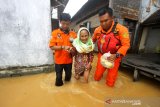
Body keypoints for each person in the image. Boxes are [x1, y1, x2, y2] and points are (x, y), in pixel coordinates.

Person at [92, 7, 130, 87]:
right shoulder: (97, 30)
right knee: (97, 77)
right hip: (101, 55)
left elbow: (126, 45)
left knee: (111, 81)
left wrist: (116, 55)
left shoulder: (122, 30)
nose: (103, 24)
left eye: (106, 20)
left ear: (112, 18)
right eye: (101, 21)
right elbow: (92, 41)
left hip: (115, 57)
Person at [49, 13, 76, 86]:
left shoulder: (73, 34)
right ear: (60, 22)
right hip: (58, 61)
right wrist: (63, 47)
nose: (65, 26)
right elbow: (51, 46)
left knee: (68, 78)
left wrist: (73, 50)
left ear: (70, 23)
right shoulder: (55, 33)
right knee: (58, 81)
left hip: (69, 61)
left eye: (67, 24)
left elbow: (76, 47)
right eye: (63, 23)